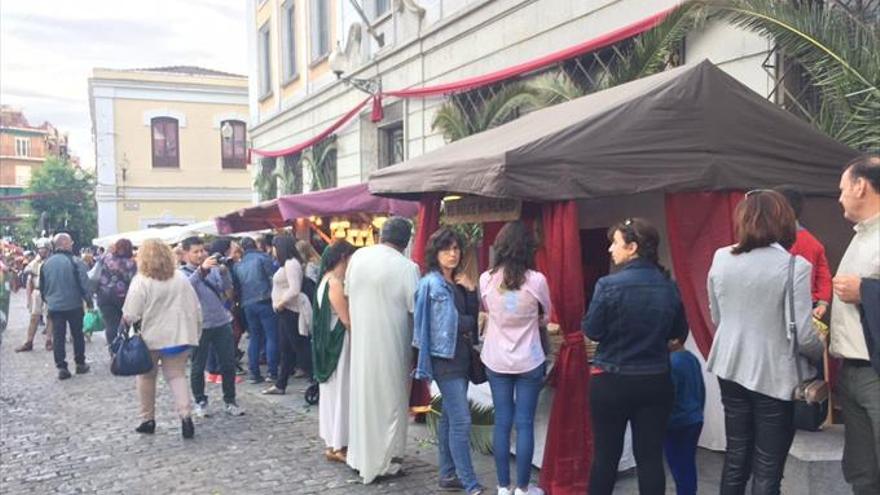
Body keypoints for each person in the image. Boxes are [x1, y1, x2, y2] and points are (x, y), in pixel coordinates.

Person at [707, 190, 822, 494]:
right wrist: (821, 352)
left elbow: (717, 316)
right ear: (785, 221)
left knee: (736, 458)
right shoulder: (794, 267)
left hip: (729, 365)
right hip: (775, 373)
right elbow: (803, 334)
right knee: (768, 468)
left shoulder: (721, 257)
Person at [582, 218, 688, 495]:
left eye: (615, 243)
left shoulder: (607, 285)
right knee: (650, 458)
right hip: (655, 380)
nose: (610, 250)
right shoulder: (669, 286)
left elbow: (592, 330)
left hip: (610, 380)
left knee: (605, 458)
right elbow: (678, 332)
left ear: (632, 247)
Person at [344, 217, 420, 484]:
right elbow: (415, 307)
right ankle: (388, 461)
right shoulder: (407, 267)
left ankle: (359, 455)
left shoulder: (358, 258)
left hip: (363, 340)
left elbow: (348, 292)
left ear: (380, 234)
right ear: (407, 240)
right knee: (391, 402)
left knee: (363, 397)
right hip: (392, 342)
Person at [480, 221, 550, 495]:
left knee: (502, 422)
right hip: (529, 359)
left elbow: (488, 309)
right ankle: (522, 488)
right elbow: (546, 316)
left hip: (496, 358)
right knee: (524, 424)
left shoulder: (486, 279)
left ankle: (502, 486)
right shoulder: (537, 280)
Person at [414, 228, 484, 495]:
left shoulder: (457, 281)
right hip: (445, 359)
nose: (453, 254)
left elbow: (470, 318)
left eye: (456, 249)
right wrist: (466, 322)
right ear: (436, 252)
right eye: (447, 249)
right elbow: (447, 325)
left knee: (449, 419)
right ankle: (469, 482)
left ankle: (447, 475)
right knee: (462, 421)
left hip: (462, 357)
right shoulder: (430, 284)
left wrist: (469, 290)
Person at [830, 154, 880, 495]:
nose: (839, 197)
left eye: (842, 188)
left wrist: (865, 290)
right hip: (851, 370)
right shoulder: (862, 234)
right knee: (862, 468)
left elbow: (863, 290)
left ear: (861, 186)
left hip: (875, 373)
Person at [122, 239, 202, 439]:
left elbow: (131, 313)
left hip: (149, 338)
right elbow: (195, 307)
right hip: (178, 335)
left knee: (147, 377)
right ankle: (186, 417)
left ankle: (147, 419)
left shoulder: (141, 280)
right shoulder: (180, 278)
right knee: (177, 376)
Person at [179, 236, 245, 418]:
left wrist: (224, 272)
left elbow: (227, 290)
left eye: (202, 251)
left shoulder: (213, 268)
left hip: (221, 321)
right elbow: (186, 289)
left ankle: (230, 400)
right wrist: (201, 270)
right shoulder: (182, 273)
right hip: (199, 325)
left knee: (228, 363)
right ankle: (200, 401)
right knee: (198, 366)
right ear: (186, 254)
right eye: (196, 252)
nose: (200, 254)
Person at [312, 240, 356, 463]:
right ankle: (339, 444)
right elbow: (346, 320)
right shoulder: (335, 283)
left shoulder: (325, 281)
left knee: (333, 395)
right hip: (339, 347)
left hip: (329, 346)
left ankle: (333, 441)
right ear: (343, 258)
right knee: (341, 393)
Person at [775, 185, 833, 319]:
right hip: (808, 305)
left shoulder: (771, 242)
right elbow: (824, 275)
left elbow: (823, 274)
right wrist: (823, 302)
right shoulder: (813, 242)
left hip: (786, 306)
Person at [39, 233, 92, 380]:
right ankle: (80, 364)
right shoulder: (76, 262)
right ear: (64, 244)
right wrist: (89, 301)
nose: (72, 245)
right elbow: (84, 284)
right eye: (70, 242)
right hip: (74, 304)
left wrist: (49, 300)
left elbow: (42, 287)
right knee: (77, 335)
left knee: (58, 336)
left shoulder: (46, 264)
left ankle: (62, 367)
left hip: (55, 307)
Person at [263, 234, 311, 394]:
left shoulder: (291, 264)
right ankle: (281, 383)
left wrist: (281, 303)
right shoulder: (287, 264)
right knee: (287, 348)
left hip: (291, 311)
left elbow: (294, 289)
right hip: (285, 311)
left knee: (299, 346)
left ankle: (315, 377)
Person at [232, 237, 279, 384]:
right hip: (265, 300)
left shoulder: (238, 265)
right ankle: (272, 372)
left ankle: (254, 373)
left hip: (247, 303)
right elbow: (273, 277)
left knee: (255, 337)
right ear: (255, 245)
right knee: (271, 336)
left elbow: (237, 287)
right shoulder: (263, 258)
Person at [664, 339, 705, 495]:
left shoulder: (672, 363)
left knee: (678, 465)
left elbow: (669, 397)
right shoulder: (691, 358)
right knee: (687, 462)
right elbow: (701, 389)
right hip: (694, 418)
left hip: (676, 423)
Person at [96, 238, 137, 353]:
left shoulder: (105, 258)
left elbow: (96, 274)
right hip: (124, 297)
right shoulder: (131, 263)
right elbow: (134, 281)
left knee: (110, 324)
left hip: (104, 296)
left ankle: (113, 350)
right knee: (124, 323)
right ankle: (123, 347)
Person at [15, 238, 53, 352]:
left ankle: (49, 341)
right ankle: (29, 341)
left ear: (48, 250)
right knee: (34, 317)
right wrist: (28, 299)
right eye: (40, 249)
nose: (42, 252)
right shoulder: (35, 262)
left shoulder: (52, 261)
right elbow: (28, 275)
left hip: (49, 291)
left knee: (50, 317)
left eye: (44, 249)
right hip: (37, 291)